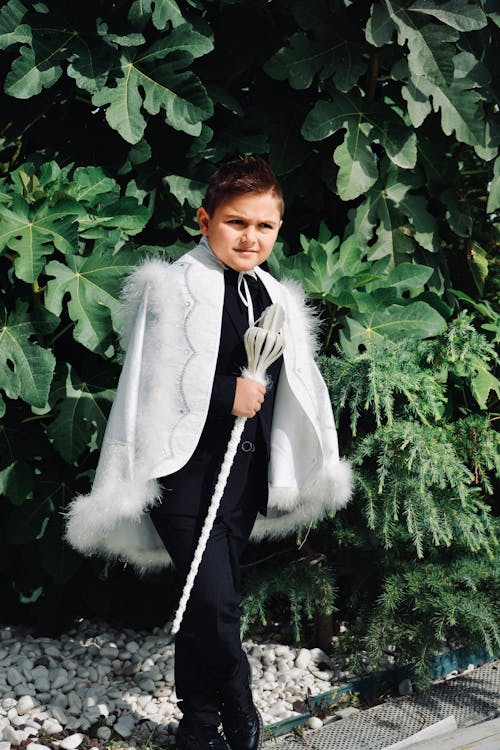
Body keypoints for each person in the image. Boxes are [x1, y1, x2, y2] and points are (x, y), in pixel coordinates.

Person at [65, 157, 352, 750]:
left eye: (264, 226)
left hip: (241, 472)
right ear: (205, 219)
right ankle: (240, 707)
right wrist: (229, 392)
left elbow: (291, 378)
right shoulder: (173, 287)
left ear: (278, 227)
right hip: (182, 473)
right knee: (217, 600)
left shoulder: (271, 293)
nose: (250, 238)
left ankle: (197, 721)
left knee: (203, 595)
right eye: (235, 222)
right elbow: (154, 378)